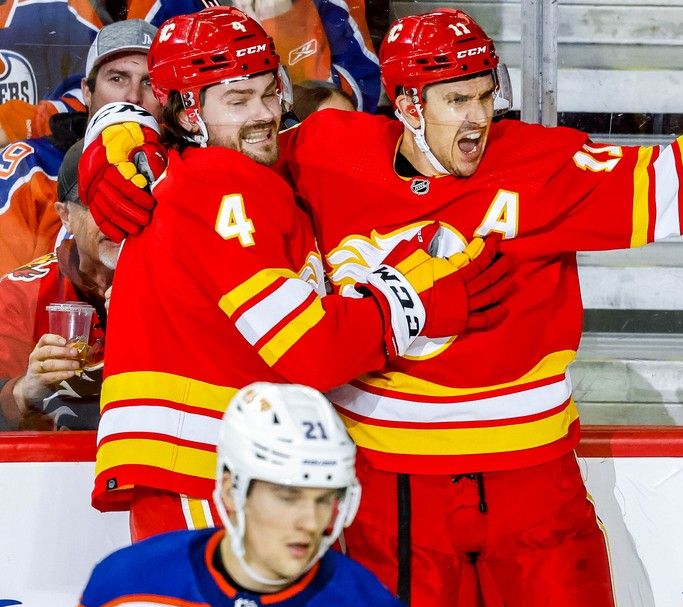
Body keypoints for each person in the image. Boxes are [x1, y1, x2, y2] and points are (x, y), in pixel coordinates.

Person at [81, 8, 683, 607]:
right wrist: (114, 133)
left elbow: (678, 182)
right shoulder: (317, 153)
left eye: (486, 95)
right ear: (406, 104)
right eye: (456, 99)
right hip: (393, 491)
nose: (477, 118)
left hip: (532, 477)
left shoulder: (542, 163)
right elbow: (201, 152)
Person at [87, 8, 511, 543]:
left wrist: (116, 124)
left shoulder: (224, 173)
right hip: (205, 471)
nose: (263, 114)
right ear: (190, 113)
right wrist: (412, 293)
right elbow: (313, 350)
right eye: (237, 101)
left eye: (269, 93)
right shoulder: (217, 185)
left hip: (219, 468)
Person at [23, 382, 446, 607]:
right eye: (288, 496)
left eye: (324, 498)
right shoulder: (127, 589)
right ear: (230, 489)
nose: (309, 521)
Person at [0, 19, 159, 275]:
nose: (133, 97)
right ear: (87, 91)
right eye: (117, 78)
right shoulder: (30, 168)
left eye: (150, 83)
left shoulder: (185, 173)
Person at [0, 141, 116, 430]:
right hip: (52, 458)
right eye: (96, 202)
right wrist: (23, 390)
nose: (114, 215)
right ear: (65, 216)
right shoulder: (19, 295)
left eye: (130, 199)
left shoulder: (177, 285)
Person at [128, 0, 382, 112]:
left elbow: (363, 76)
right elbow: (134, 86)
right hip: (211, 151)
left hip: (315, 145)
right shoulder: (161, 5)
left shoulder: (325, 3)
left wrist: (329, 111)